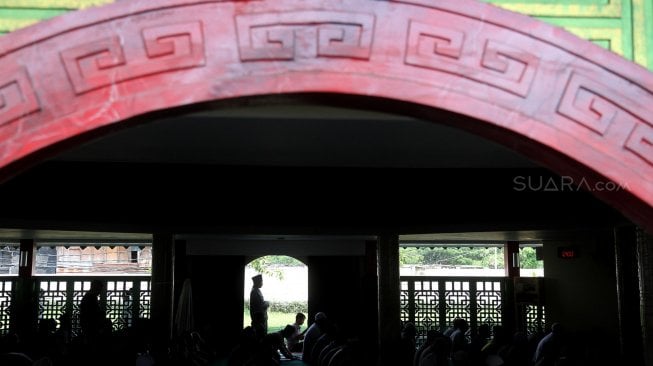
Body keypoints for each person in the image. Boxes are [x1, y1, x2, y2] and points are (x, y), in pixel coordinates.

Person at [79, 279, 107, 345]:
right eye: (99, 289)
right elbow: (92, 313)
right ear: (95, 288)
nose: (100, 292)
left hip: (87, 325)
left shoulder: (88, 296)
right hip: (90, 325)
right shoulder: (91, 297)